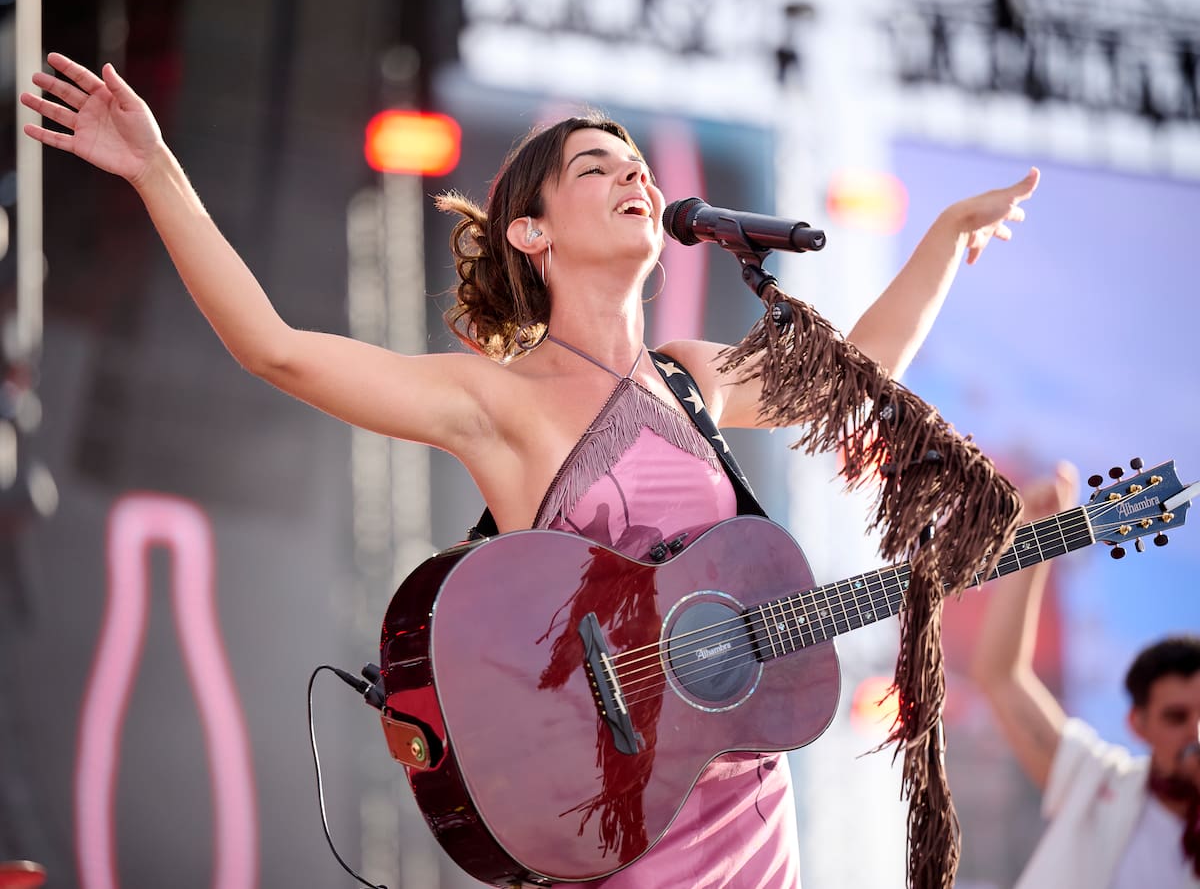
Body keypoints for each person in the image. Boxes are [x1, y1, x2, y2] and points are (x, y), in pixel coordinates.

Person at [22, 52, 1040, 888]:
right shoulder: (494, 402)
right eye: (599, 165)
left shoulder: (690, 380)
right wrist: (156, 170)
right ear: (531, 231)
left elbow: (851, 384)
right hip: (620, 817)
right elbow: (274, 348)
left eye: (638, 162)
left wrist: (944, 239)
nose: (635, 176)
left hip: (750, 809)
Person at [970, 461, 1200, 889]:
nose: (1197, 733)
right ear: (1138, 725)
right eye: (1177, 716)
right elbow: (999, 676)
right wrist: (1037, 539)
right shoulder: (1101, 787)